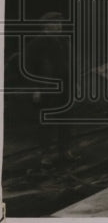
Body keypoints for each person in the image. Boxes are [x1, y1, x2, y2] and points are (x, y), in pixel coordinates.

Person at [23, 11, 77, 166]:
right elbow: (28, 68)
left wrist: (76, 84)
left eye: (60, 23)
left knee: (66, 120)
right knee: (46, 122)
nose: (59, 26)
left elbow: (70, 64)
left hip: (65, 87)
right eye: (55, 23)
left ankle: (65, 150)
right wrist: (35, 88)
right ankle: (46, 154)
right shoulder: (35, 44)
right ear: (45, 25)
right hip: (46, 88)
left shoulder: (64, 42)